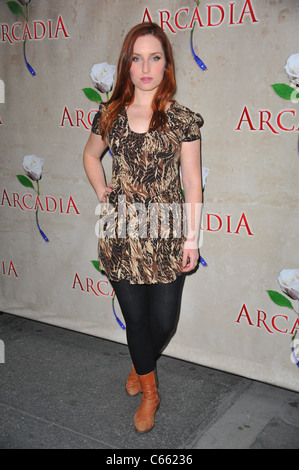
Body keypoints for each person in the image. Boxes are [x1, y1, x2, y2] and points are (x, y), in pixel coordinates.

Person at [83, 22, 203, 433]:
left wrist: (192, 238)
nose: (145, 67)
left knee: (164, 321)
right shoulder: (111, 113)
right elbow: (89, 155)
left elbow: (192, 182)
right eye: (137, 58)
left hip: (168, 233)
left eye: (154, 57)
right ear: (126, 64)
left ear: (166, 64)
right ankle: (150, 391)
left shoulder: (182, 118)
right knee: (136, 319)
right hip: (120, 233)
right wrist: (102, 191)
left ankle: (141, 362)